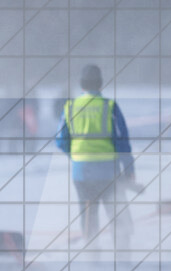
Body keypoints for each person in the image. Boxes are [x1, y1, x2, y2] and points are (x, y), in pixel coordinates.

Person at [55, 65, 135, 248]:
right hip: (108, 172)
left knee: (89, 217)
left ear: (81, 84)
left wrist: (76, 155)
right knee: (118, 215)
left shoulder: (70, 107)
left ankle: (92, 260)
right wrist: (129, 169)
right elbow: (122, 142)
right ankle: (123, 260)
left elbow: (60, 140)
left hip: (82, 172)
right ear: (100, 83)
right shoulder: (110, 107)